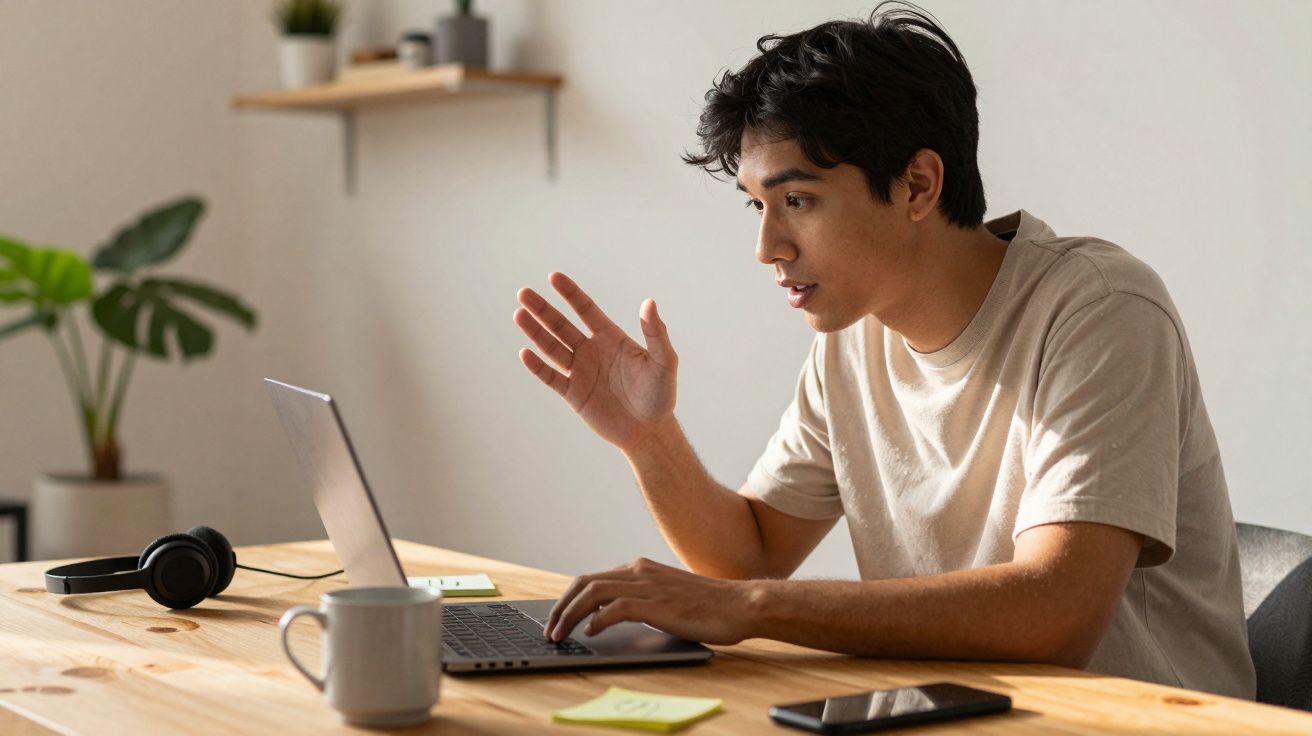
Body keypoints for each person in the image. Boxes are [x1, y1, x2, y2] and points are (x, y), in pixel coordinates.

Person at [511, 2, 1255, 699]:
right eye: (756, 204)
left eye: (796, 201)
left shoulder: (1100, 309)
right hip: (961, 710)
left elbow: (1057, 613)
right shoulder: (852, 337)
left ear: (918, 185)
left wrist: (757, 606)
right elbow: (751, 555)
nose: (767, 246)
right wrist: (650, 439)